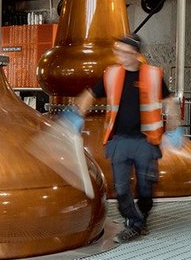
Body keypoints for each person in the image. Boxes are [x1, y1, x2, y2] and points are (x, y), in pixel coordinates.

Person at [68, 33, 183, 243]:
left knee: (146, 189)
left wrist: (174, 127)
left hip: (145, 142)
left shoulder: (153, 75)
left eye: (124, 51)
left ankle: (141, 217)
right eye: (118, 50)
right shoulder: (111, 75)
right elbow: (90, 94)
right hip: (119, 141)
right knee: (121, 189)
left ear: (136, 54)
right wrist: (77, 114)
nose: (119, 55)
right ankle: (135, 222)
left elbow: (169, 102)